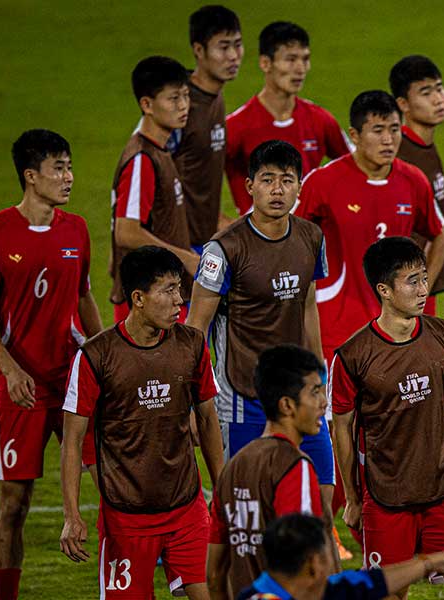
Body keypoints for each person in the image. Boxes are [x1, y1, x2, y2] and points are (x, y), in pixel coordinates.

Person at [0, 129, 103, 600]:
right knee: (14, 503)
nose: (68, 177)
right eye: (58, 168)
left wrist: (103, 354)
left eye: (68, 166)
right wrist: (9, 368)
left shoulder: (76, 229)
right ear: (30, 175)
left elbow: (84, 295)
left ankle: (123, 583)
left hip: (72, 379)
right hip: (21, 386)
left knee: (111, 482)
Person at [59, 245, 225, 599]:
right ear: (138, 298)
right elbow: (72, 441)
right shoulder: (95, 357)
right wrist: (72, 515)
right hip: (126, 519)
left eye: (180, 288)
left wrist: (221, 489)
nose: (180, 300)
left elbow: (208, 420)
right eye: (168, 290)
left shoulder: (192, 345)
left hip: (186, 508)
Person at [330, 236, 444, 600]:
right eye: (411, 281)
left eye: (424, 278)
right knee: (389, 594)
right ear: (384, 289)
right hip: (386, 499)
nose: (423, 289)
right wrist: (353, 497)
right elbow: (342, 429)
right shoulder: (353, 356)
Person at [185, 139, 335, 508]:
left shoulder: (310, 237)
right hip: (241, 396)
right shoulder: (223, 250)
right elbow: (194, 329)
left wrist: (320, 376)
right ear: (249, 186)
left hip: (299, 390)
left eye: (287, 180)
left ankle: (304, 565)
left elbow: (308, 307)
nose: (278, 190)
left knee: (323, 493)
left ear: (300, 186)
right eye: (267, 180)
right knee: (247, 505)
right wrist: (192, 401)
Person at [295, 90, 444, 369]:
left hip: (397, 328)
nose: (389, 140)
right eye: (378, 130)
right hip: (337, 328)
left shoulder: (413, 180)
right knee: (341, 412)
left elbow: (440, 236)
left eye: (394, 129)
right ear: (354, 135)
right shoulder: (322, 183)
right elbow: (290, 239)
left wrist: (420, 288)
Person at [206, 344, 327, 599]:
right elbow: (306, 571)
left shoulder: (232, 468)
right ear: (287, 405)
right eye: (315, 392)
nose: (324, 402)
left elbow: (214, 575)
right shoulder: (295, 467)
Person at [225, 21, 351, 215]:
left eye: (305, 59)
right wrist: (221, 222)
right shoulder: (237, 126)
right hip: (258, 237)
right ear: (266, 63)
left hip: (308, 233)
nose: (301, 69)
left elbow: (355, 164)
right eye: (291, 59)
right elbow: (198, 178)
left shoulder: (320, 120)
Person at [111, 55, 198, 322]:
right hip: (148, 303)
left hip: (162, 296)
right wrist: (187, 258)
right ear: (147, 104)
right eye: (173, 99)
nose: (184, 105)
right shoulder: (142, 159)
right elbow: (126, 231)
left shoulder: (160, 151)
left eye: (185, 96)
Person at [238, 515, 444, 600]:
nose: (331, 566)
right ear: (313, 564)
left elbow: (374, 583)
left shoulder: (314, 590)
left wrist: (434, 562)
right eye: (327, 556)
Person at [389, 55, 444, 315]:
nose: (438, 99)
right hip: (405, 289)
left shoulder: (424, 146)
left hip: (416, 285)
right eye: (426, 93)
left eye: (439, 88)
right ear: (403, 104)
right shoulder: (401, 154)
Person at [175, 5, 244, 251]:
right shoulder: (181, 106)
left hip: (202, 242)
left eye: (237, 45)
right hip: (178, 247)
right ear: (199, 50)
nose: (234, 55)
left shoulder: (215, 97)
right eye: (223, 47)